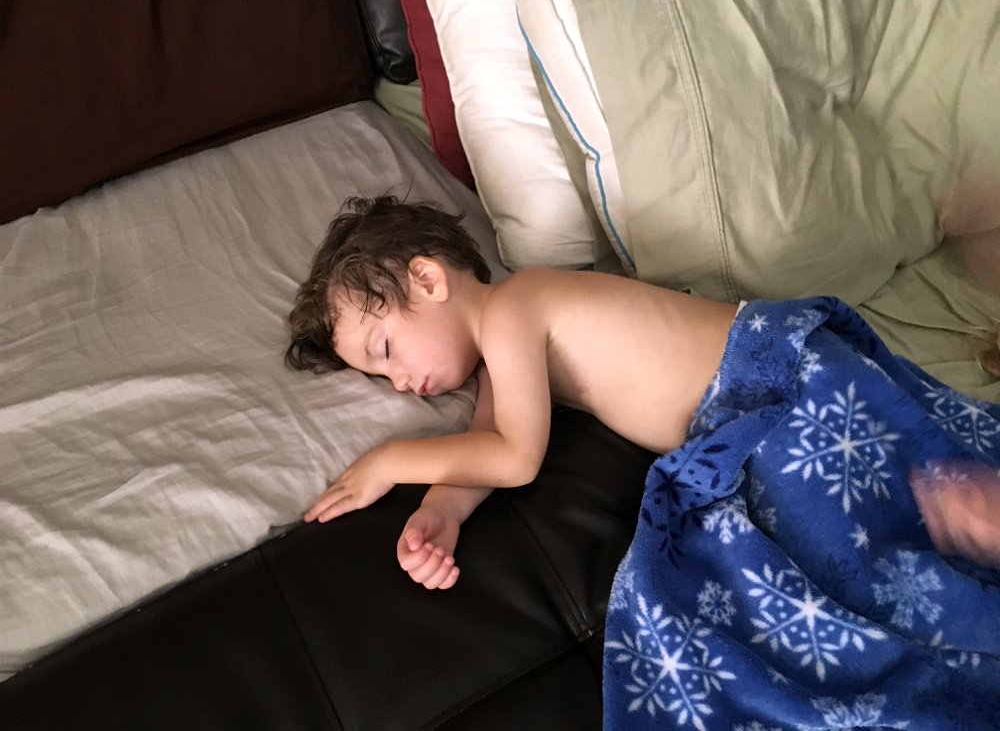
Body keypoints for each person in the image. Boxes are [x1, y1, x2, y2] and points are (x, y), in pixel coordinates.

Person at [285, 195, 1000, 590]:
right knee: (896, 523)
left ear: (427, 279)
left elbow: (516, 457)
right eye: (380, 379)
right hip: (745, 418)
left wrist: (390, 461)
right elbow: (487, 447)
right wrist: (441, 514)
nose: (400, 384)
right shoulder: (499, 361)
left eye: (385, 351)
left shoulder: (514, 307)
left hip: (768, 375)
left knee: (920, 495)